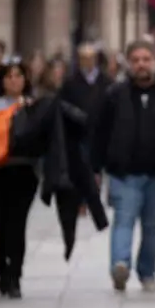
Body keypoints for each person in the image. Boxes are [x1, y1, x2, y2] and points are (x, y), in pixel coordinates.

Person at [91, 40, 155, 293]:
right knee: (124, 219)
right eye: (136, 60)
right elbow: (99, 132)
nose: (141, 64)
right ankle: (120, 264)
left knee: (152, 225)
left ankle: (147, 271)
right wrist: (95, 168)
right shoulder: (115, 94)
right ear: (128, 63)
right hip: (124, 172)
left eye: (146, 59)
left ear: (154, 61)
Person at [0, 57, 37, 298]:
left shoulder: (32, 103)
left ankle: (15, 275)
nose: (14, 81)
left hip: (23, 171)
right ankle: (1, 266)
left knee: (17, 225)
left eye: (18, 76)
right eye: (9, 76)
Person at [56, 44, 113, 241]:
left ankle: (95, 201)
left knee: (96, 168)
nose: (87, 62)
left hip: (101, 131)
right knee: (83, 168)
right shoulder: (71, 82)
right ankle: (85, 202)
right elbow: (62, 105)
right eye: (83, 58)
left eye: (91, 57)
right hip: (78, 133)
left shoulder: (107, 82)